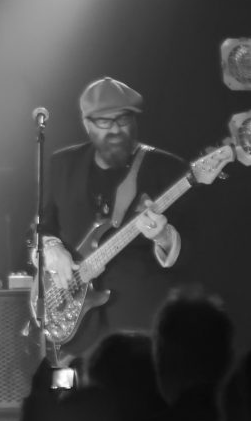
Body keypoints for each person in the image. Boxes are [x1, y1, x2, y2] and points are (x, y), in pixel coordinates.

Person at [36, 78, 188, 357]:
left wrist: (164, 237)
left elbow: (199, 245)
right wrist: (51, 248)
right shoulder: (63, 165)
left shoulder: (166, 168)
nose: (116, 129)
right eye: (105, 122)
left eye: (123, 119)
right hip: (74, 324)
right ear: (87, 124)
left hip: (140, 320)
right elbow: (42, 226)